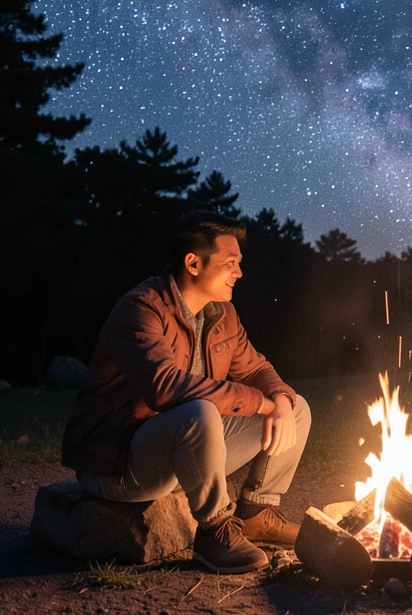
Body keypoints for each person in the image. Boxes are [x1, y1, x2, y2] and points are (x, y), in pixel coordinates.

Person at [62, 210, 311, 573]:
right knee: (200, 411)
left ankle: (256, 515)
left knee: (296, 407)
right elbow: (165, 388)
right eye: (230, 262)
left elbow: (256, 368)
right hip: (117, 465)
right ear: (193, 263)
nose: (239, 272)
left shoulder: (222, 314)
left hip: (181, 452)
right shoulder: (142, 309)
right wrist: (260, 402)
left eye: (239, 263)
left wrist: (280, 401)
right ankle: (212, 532)